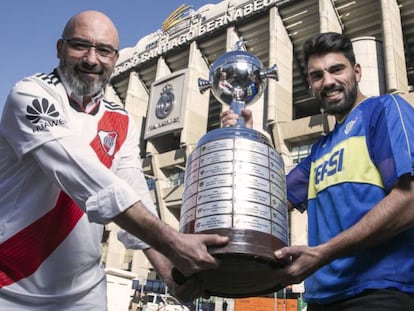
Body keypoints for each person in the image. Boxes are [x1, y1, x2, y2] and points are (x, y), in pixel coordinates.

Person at [0, 11, 228, 310]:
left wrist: (169, 274)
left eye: (104, 50)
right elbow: (84, 176)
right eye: (80, 45)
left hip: (85, 294)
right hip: (11, 288)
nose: (92, 59)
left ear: (115, 58)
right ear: (60, 49)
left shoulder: (121, 120)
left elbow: (134, 195)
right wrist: (173, 242)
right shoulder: (29, 94)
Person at [221, 32, 414, 310]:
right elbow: (270, 200)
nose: (328, 81)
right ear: (311, 86)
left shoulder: (384, 110)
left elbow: (409, 201)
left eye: (337, 69)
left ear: (356, 72)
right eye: (317, 75)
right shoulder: (319, 151)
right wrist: (246, 137)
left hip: (381, 292)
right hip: (321, 299)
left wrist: (323, 253)